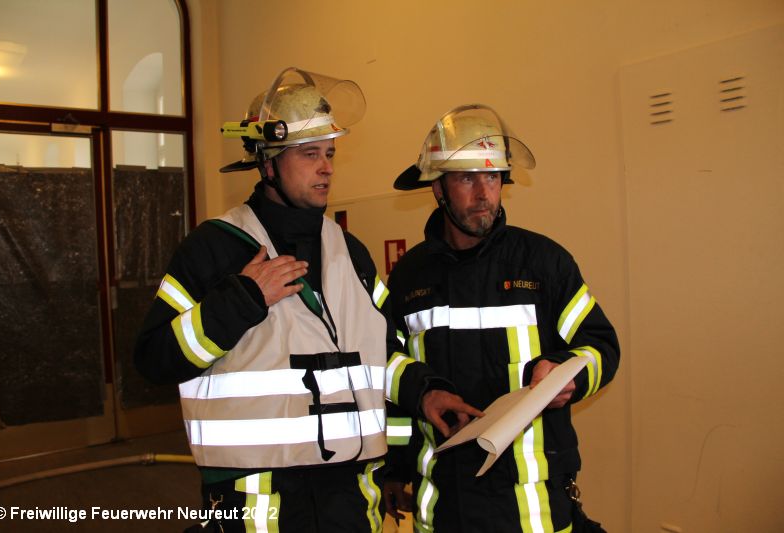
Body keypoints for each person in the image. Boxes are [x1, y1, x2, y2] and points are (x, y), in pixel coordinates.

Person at [134, 68, 481, 533]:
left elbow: (381, 352)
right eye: (309, 153)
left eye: (330, 152)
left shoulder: (350, 252)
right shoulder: (213, 248)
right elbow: (154, 359)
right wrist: (241, 300)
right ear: (267, 163)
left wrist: (423, 391)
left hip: (350, 500)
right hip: (257, 502)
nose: (327, 167)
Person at [382, 104, 620, 532]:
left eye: (492, 178)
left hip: (534, 513)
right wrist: (396, 468)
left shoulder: (544, 264)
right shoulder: (408, 277)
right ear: (437, 188)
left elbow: (602, 347)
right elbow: (393, 378)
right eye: (467, 178)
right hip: (444, 512)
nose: (483, 194)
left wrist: (571, 374)